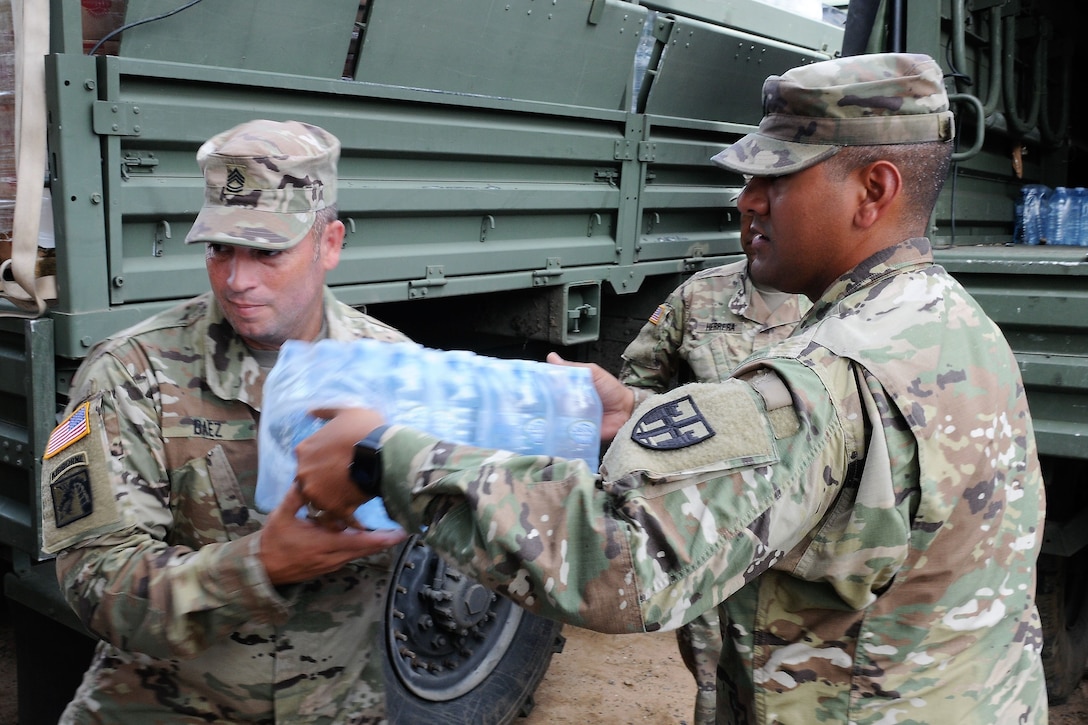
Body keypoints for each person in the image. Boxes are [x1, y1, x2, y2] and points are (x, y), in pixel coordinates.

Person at [295, 53, 1048, 723]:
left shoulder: (825, 375)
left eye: (776, 176)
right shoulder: (948, 323)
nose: (747, 199)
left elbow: (622, 562)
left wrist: (384, 457)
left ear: (873, 189)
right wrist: (636, 414)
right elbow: (828, 481)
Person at [39, 119, 409, 723]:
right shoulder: (125, 372)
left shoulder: (397, 369)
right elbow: (91, 580)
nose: (238, 280)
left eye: (267, 252)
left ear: (330, 244)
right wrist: (259, 566)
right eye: (220, 250)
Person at [619, 214, 809, 725]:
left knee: (794, 671)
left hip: (798, 525)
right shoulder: (699, 296)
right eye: (748, 217)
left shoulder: (833, 306)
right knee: (712, 668)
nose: (756, 227)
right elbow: (639, 384)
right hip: (711, 524)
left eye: (770, 217)